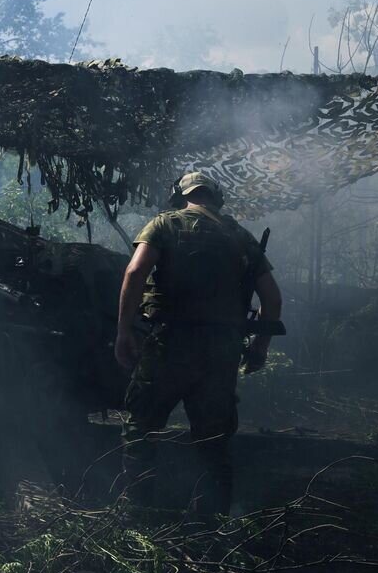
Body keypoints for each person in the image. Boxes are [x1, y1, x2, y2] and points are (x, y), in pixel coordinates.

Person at [114, 172, 283, 514]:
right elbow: (272, 298)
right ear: (217, 198)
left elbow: (134, 273)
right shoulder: (241, 237)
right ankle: (211, 522)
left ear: (180, 195)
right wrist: (260, 348)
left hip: (169, 344)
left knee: (142, 429)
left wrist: (123, 331)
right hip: (221, 350)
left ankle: (137, 515)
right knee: (213, 441)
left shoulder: (164, 224)